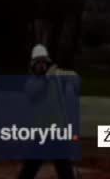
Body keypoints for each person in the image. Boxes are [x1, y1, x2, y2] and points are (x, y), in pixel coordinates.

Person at [17, 45, 77, 179]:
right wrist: (47, 78)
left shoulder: (55, 81)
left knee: (65, 171)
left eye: (43, 62)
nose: (41, 66)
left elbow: (73, 80)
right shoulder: (31, 83)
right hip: (41, 134)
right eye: (38, 62)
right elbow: (33, 92)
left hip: (58, 134)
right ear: (33, 65)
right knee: (29, 170)